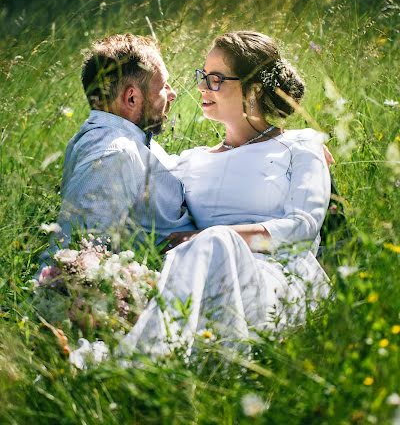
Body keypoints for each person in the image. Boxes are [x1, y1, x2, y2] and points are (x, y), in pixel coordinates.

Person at [120, 31, 331, 356]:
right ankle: (149, 366)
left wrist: (215, 236)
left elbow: (302, 230)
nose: (202, 87)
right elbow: (132, 158)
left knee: (213, 245)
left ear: (254, 90)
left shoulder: (299, 146)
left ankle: (137, 364)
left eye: (216, 79)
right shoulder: (190, 162)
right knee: (201, 253)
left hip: (277, 281)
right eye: (202, 76)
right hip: (201, 276)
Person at [40, 33, 197, 267]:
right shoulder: (113, 155)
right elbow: (75, 253)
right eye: (163, 86)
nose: (172, 94)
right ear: (131, 98)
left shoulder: (130, 137)